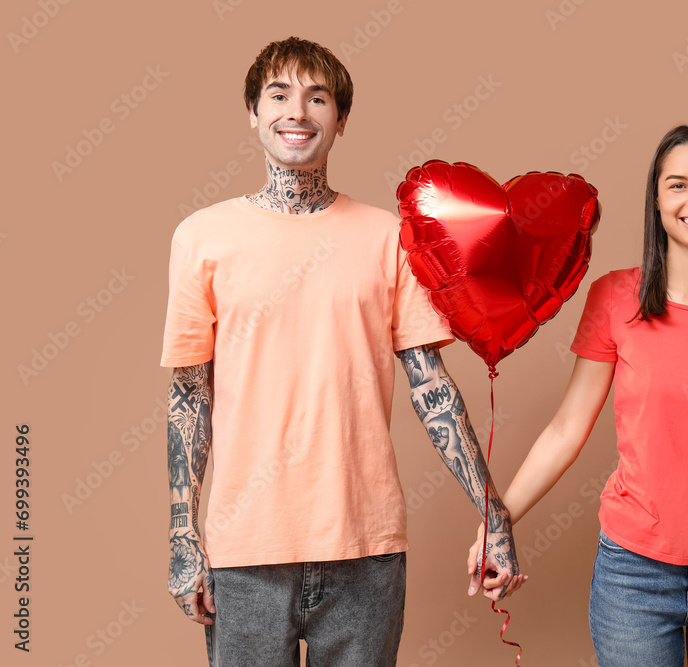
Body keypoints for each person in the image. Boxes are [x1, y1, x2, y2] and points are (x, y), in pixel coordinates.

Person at [162, 36, 523, 667]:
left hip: (366, 550)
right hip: (244, 552)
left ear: (341, 120)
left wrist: (494, 513)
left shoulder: (389, 238)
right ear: (253, 112)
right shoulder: (201, 238)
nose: (297, 112)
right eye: (278, 95)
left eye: (317, 97)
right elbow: (190, 394)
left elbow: (430, 385)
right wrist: (182, 531)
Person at [468, 124, 688, 664]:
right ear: (655, 198)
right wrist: (497, 522)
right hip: (635, 577)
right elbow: (566, 428)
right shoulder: (614, 297)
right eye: (677, 185)